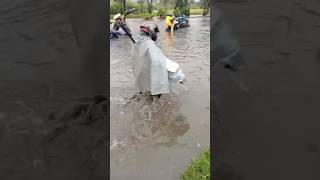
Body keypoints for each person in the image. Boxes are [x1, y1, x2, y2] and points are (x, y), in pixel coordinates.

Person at [131, 22, 185, 99]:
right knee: (155, 98)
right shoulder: (151, 45)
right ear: (152, 32)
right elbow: (162, 62)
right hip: (151, 78)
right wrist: (179, 77)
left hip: (141, 77)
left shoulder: (137, 44)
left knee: (144, 94)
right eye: (155, 32)